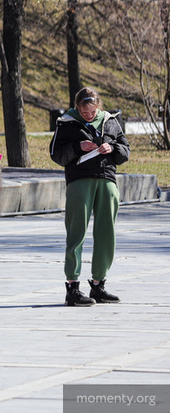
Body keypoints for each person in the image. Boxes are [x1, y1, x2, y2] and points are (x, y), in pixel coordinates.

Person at [49, 87, 130, 307]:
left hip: (107, 180)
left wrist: (111, 147)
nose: (88, 115)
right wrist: (77, 146)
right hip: (79, 181)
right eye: (84, 112)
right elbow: (56, 154)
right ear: (77, 108)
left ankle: (98, 285)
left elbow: (125, 151)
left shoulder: (110, 121)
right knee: (76, 233)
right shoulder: (66, 123)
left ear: (98, 106)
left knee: (106, 233)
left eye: (92, 111)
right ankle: (72, 288)